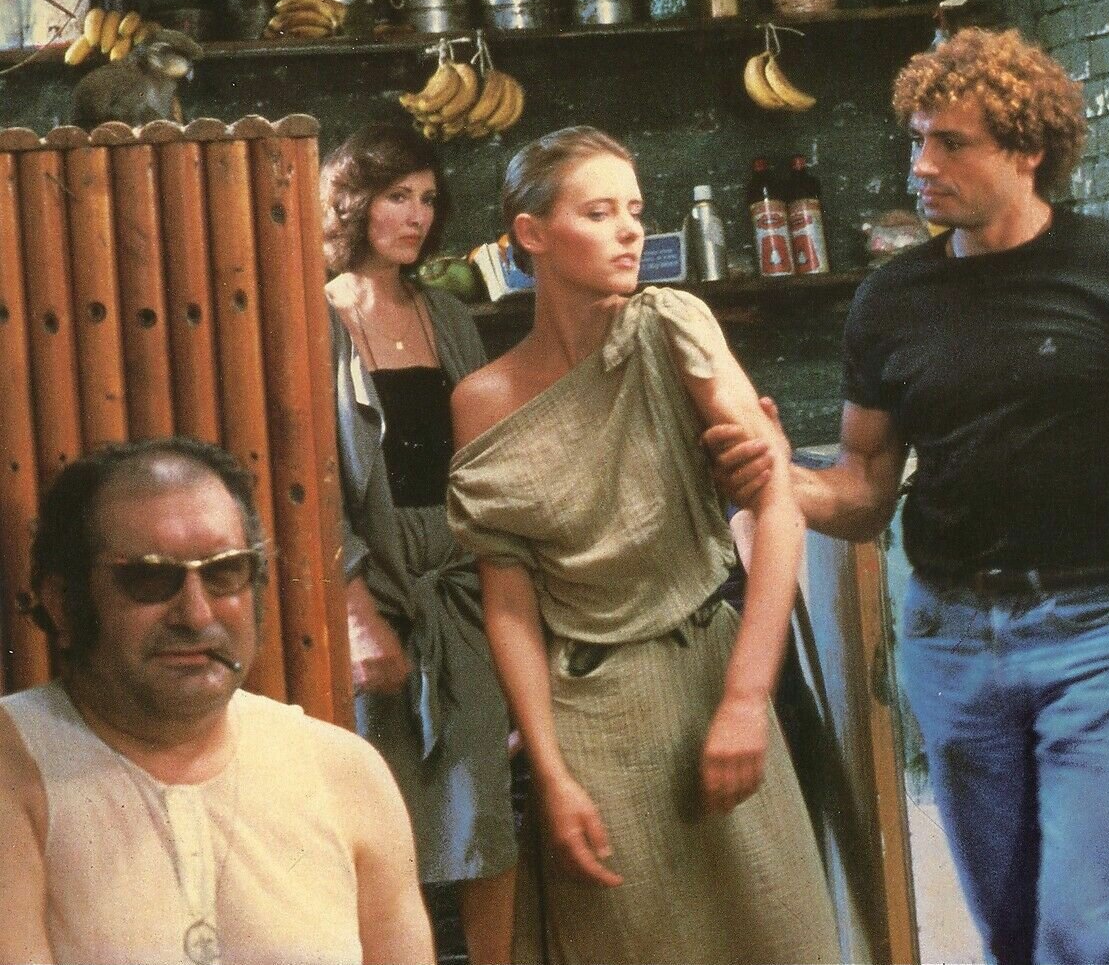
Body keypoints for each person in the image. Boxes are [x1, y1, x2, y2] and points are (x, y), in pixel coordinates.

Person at [704, 28, 1109, 965]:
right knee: (1014, 938)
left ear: (1027, 150)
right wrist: (775, 475)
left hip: (1094, 638)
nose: (922, 166)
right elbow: (865, 490)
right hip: (951, 644)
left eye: (951, 143)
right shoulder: (891, 300)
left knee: (1084, 932)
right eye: (918, 140)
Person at [446, 126, 837, 964]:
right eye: (598, 212)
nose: (631, 230)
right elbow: (507, 600)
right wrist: (551, 772)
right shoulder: (483, 399)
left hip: (711, 680)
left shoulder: (671, 326)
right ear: (531, 233)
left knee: (783, 934)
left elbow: (778, 506)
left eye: (635, 209)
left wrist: (746, 697)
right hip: (593, 717)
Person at [0, 437, 432, 965]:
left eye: (224, 572)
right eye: (150, 578)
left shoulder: (346, 772)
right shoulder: (13, 767)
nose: (197, 614)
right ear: (64, 603)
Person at [322, 123, 516, 963]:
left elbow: (487, 460)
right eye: (397, 195)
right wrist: (357, 613)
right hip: (374, 589)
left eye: (428, 199)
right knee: (375, 831)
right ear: (353, 203)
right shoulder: (319, 314)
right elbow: (309, 483)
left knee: (485, 818)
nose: (416, 215)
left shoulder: (448, 315)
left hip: (460, 583)